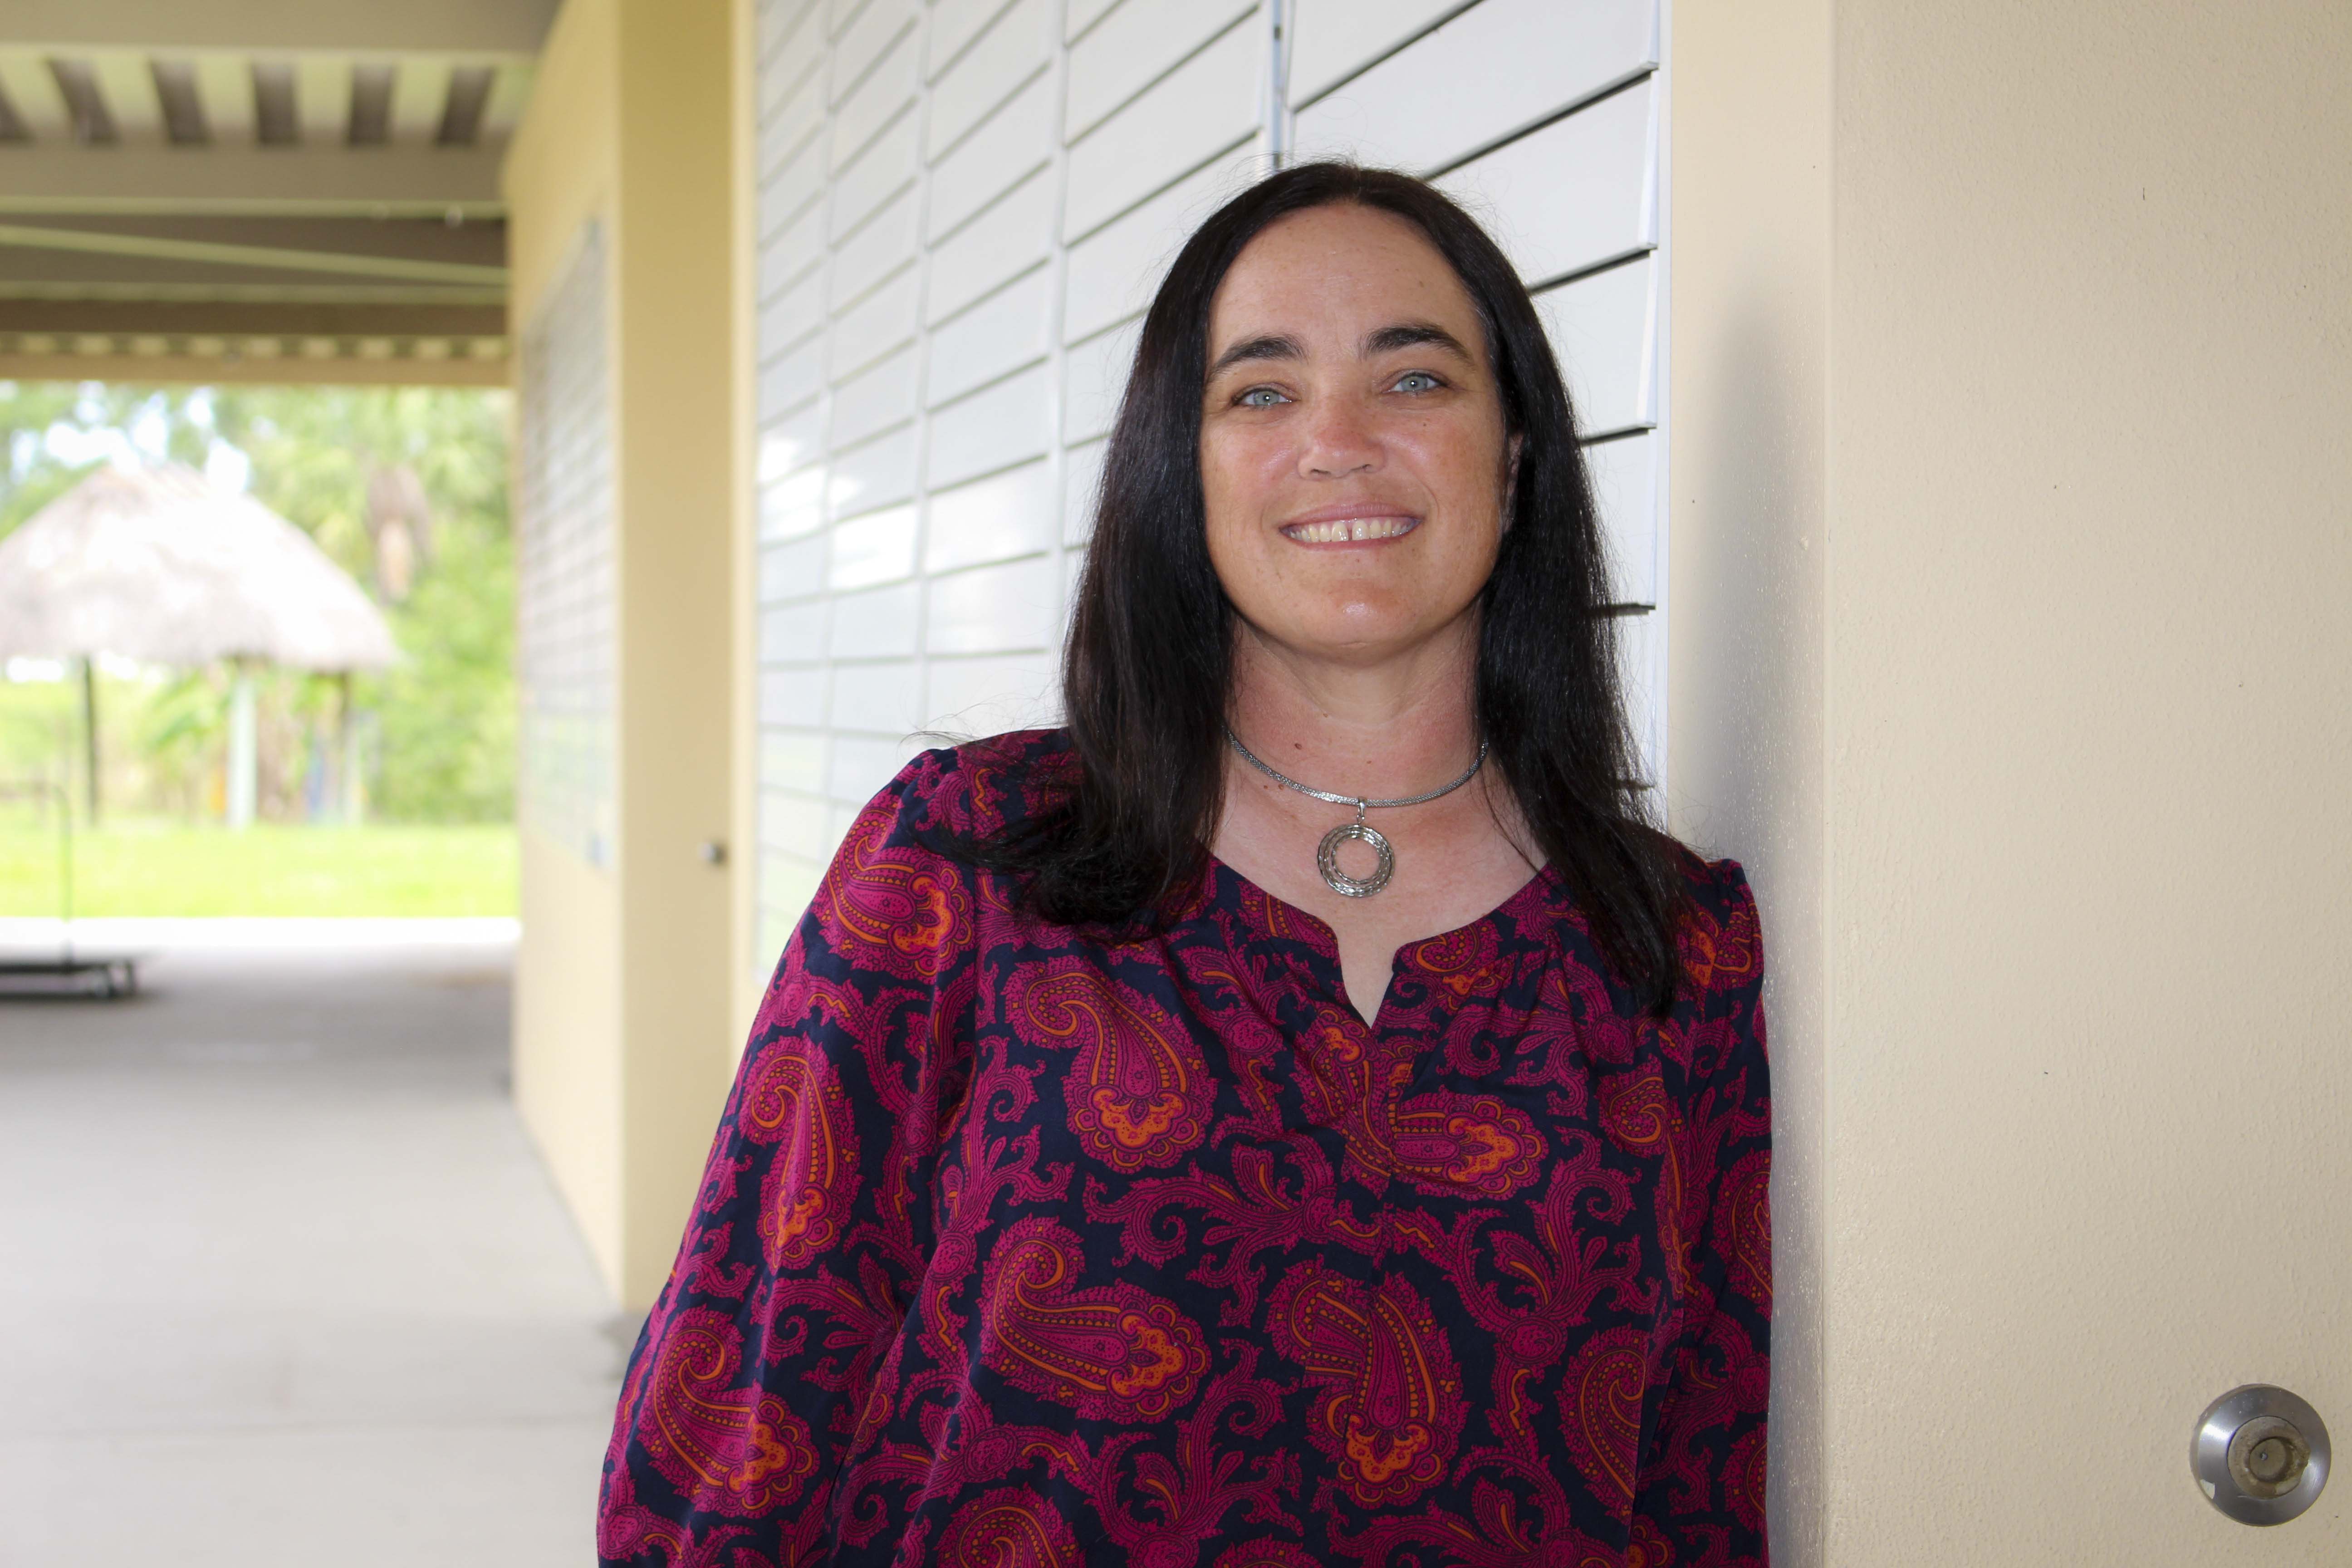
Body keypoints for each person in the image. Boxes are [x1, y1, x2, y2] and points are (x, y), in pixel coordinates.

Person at [598, 162, 1770, 1567]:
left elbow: (1697, 1491)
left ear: (1515, 457)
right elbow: (734, 1414)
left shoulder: (1673, 948)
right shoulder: (969, 863)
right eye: (1260, 392)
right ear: (1182, 467)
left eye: (1416, 381)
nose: (1338, 441)